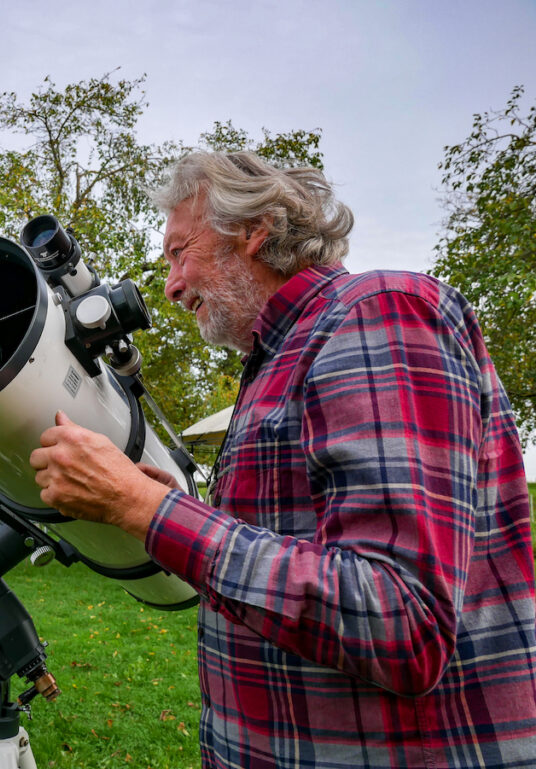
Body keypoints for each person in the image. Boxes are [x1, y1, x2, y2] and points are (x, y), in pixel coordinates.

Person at [29, 151, 536, 768]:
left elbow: (404, 621)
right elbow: (291, 545)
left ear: (255, 230)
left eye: (179, 252)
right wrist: (167, 504)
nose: (170, 285)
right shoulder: (278, 359)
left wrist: (149, 508)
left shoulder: (375, 312)